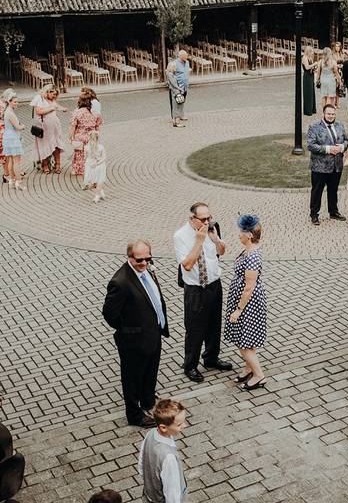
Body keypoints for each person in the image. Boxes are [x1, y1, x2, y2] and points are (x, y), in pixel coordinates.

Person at [102, 239, 170, 427]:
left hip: (153, 334)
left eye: (147, 259)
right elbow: (109, 314)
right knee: (132, 377)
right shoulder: (120, 282)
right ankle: (134, 414)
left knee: (150, 370)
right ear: (129, 257)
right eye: (139, 260)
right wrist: (130, 330)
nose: (144, 264)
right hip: (134, 340)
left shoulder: (148, 269)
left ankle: (147, 399)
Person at [174, 202, 233, 383]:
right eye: (203, 219)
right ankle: (190, 365)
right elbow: (188, 264)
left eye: (209, 217)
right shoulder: (181, 236)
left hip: (214, 284)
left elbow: (221, 252)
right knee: (195, 328)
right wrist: (199, 241)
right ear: (192, 218)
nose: (207, 222)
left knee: (214, 324)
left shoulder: (212, 228)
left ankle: (211, 359)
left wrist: (216, 240)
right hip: (195, 289)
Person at [225, 214, 268, 391]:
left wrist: (238, 310)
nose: (238, 235)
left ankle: (259, 375)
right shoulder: (249, 251)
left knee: (244, 341)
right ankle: (248, 369)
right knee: (247, 339)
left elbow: (249, 287)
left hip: (248, 303)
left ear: (249, 235)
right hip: (245, 300)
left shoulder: (252, 256)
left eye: (241, 232)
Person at [137, 399, 188, 502]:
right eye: (179, 425)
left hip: (150, 495)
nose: (184, 425)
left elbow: (141, 464)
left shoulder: (150, 434)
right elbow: (172, 491)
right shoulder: (169, 458)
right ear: (164, 428)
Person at [306, 104, 348, 225]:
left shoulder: (340, 125)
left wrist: (342, 147)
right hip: (320, 166)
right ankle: (314, 214)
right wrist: (328, 149)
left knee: (333, 190)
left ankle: (333, 212)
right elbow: (310, 145)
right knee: (317, 191)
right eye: (328, 114)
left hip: (337, 165)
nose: (331, 116)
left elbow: (346, 140)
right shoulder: (314, 127)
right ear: (324, 114)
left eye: (333, 114)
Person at [31, 84, 68, 174]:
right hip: (44, 128)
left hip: (55, 126)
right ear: (47, 92)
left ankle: (57, 164)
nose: (54, 96)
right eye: (53, 94)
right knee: (44, 146)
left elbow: (56, 106)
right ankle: (45, 165)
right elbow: (39, 111)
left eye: (56, 94)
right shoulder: (39, 98)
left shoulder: (52, 99)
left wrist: (63, 108)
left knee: (56, 145)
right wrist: (52, 108)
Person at [69, 91, 103, 179]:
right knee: (91, 153)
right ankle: (91, 168)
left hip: (80, 137)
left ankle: (79, 169)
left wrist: (71, 137)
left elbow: (73, 126)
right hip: (91, 136)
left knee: (79, 154)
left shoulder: (77, 112)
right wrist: (97, 136)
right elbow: (98, 126)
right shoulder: (95, 112)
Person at [2, 96, 25, 190]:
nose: (17, 103)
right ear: (9, 101)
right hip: (13, 137)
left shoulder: (6, 111)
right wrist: (23, 126)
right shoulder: (10, 113)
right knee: (16, 162)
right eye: (15, 102)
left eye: (17, 101)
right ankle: (18, 182)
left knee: (11, 160)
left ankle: (11, 180)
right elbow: (17, 127)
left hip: (7, 136)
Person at [0, 89, 15, 182]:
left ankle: (12, 171)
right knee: (5, 153)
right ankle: (6, 174)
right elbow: (5, 116)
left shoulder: (1, 102)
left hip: (3, 128)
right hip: (3, 130)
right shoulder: (3, 104)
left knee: (11, 152)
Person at [166, 50, 191, 128]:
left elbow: (187, 71)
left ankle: (180, 116)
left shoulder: (187, 62)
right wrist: (177, 87)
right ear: (181, 56)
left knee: (181, 101)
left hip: (184, 86)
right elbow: (170, 77)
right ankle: (175, 120)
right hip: (176, 87)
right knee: (175, 103)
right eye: (185, 56)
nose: (187, 57)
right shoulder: (173, 64)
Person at [84, 130, 107, 203]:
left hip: (90, 165)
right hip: (99, 165)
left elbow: (85, 157)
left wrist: (91, 163)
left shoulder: (86, 147)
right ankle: (98, 195)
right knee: (99, 180)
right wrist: (97, 163)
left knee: (93, 180)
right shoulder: (101, 147)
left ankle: (99, 193)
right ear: (98, 138)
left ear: (89, 138)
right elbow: (104, 157)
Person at [302, 46, 318, 117]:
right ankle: (307, 110)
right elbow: (307, 67)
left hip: (311, 75)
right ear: (308, 51)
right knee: (308, 93)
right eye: (311, 52)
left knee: (312, 92)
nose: (312, 53)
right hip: (307, 77)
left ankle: (312, 109)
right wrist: (314, 64)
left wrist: (314, 68)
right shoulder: (304, 58)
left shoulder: (310, 58)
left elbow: (311, 68)